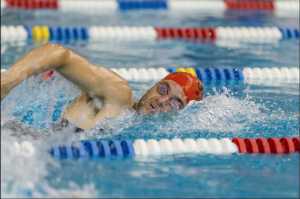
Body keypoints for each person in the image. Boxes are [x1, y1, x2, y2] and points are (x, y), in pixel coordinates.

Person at [1, 43, 204, 131]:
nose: (161, 101)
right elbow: (58, 54)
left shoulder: (131, 123)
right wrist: (8, 81)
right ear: (154, 85)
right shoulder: (117, 95)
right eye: (163, 89)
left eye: (176, 103)